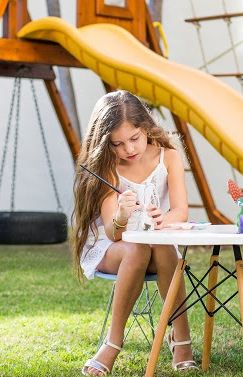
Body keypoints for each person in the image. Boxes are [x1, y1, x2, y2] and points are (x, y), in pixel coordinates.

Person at [72, 90, 198, 375]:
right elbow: (112, 232)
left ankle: (181, 338)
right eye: (118, 144)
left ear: (146, 128)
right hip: (112, 247)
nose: (129, 149)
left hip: (155, 246)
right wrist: (122, 214)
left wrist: (162, 219)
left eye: (134, 138)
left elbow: (180, 212)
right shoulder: (108, 167)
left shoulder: (170, 157)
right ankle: (112, 343)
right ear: (106, 143)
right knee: (137, 247)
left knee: (162, 247)